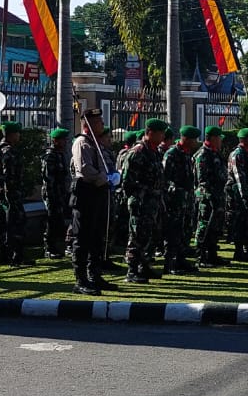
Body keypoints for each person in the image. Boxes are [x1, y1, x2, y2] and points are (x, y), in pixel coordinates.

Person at [118, 118, 167, 283]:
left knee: (149, 235)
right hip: (140, 201)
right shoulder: (138, 152)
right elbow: (127, 181)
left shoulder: (153, 151)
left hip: (152, 201)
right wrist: (141, 196)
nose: (162, 137)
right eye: (160, 134)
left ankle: (143, 265)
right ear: (150, 133)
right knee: (137, 235)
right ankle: (132, 270)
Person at [68, 120, 114, 294]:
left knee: (97, 237)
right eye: (99, 122)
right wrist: (105, 178)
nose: (102, 124)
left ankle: (95, 275)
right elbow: (85, 169)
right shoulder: (82, 143)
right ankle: (80, 280)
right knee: (83, 238)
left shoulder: (95, 143)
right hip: (86, 193)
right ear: (89, 125)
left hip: (98, 194)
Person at [161, 125, 199, 274]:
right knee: (173, 232)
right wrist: (175, 190)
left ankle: (181, 260)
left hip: (186, 200)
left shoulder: (186, 154)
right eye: (194, 139)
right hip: (174, 201)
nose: (196, 142)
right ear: (186, 139)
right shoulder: (172, 154)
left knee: (185, 230)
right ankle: (170, 263)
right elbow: (165, 178)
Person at [0, 119, 27, 264]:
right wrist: (11, 193)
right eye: (17, 133)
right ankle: (14, 256)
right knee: (15, 222)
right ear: (11, 135)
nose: (19, 136)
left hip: (2, 192)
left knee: (5, 223)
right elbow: (9, 176)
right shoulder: (8, 152)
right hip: (10, 193)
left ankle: (8, 255)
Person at [225, 127, 248, 261]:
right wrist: (245, 195)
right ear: (245, 139)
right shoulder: (238, 154)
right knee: (239, 223)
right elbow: (239, 176)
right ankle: (239, 251)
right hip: (239, 195)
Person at [193, 125, 227, 266]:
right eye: (219, 138)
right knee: (204, 225)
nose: (220, 141)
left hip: (217, 195)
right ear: (212, 138)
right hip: (206, 197)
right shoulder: (203, 155)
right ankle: (201, 256)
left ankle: (212, 254)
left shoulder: (215, 153)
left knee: (215, 227)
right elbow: (202, 180)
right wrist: (210, 195)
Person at [41, 127, 72, 260]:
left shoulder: (60, 155)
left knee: (57, 220)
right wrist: (52, 195)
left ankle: (55, 246)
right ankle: (49, 248)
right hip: (52, 193)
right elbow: (48, 178)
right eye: (63, 140)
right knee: (52, 219)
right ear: (55, 141)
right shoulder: (50, 156)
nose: (65, 142)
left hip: (60, 192)